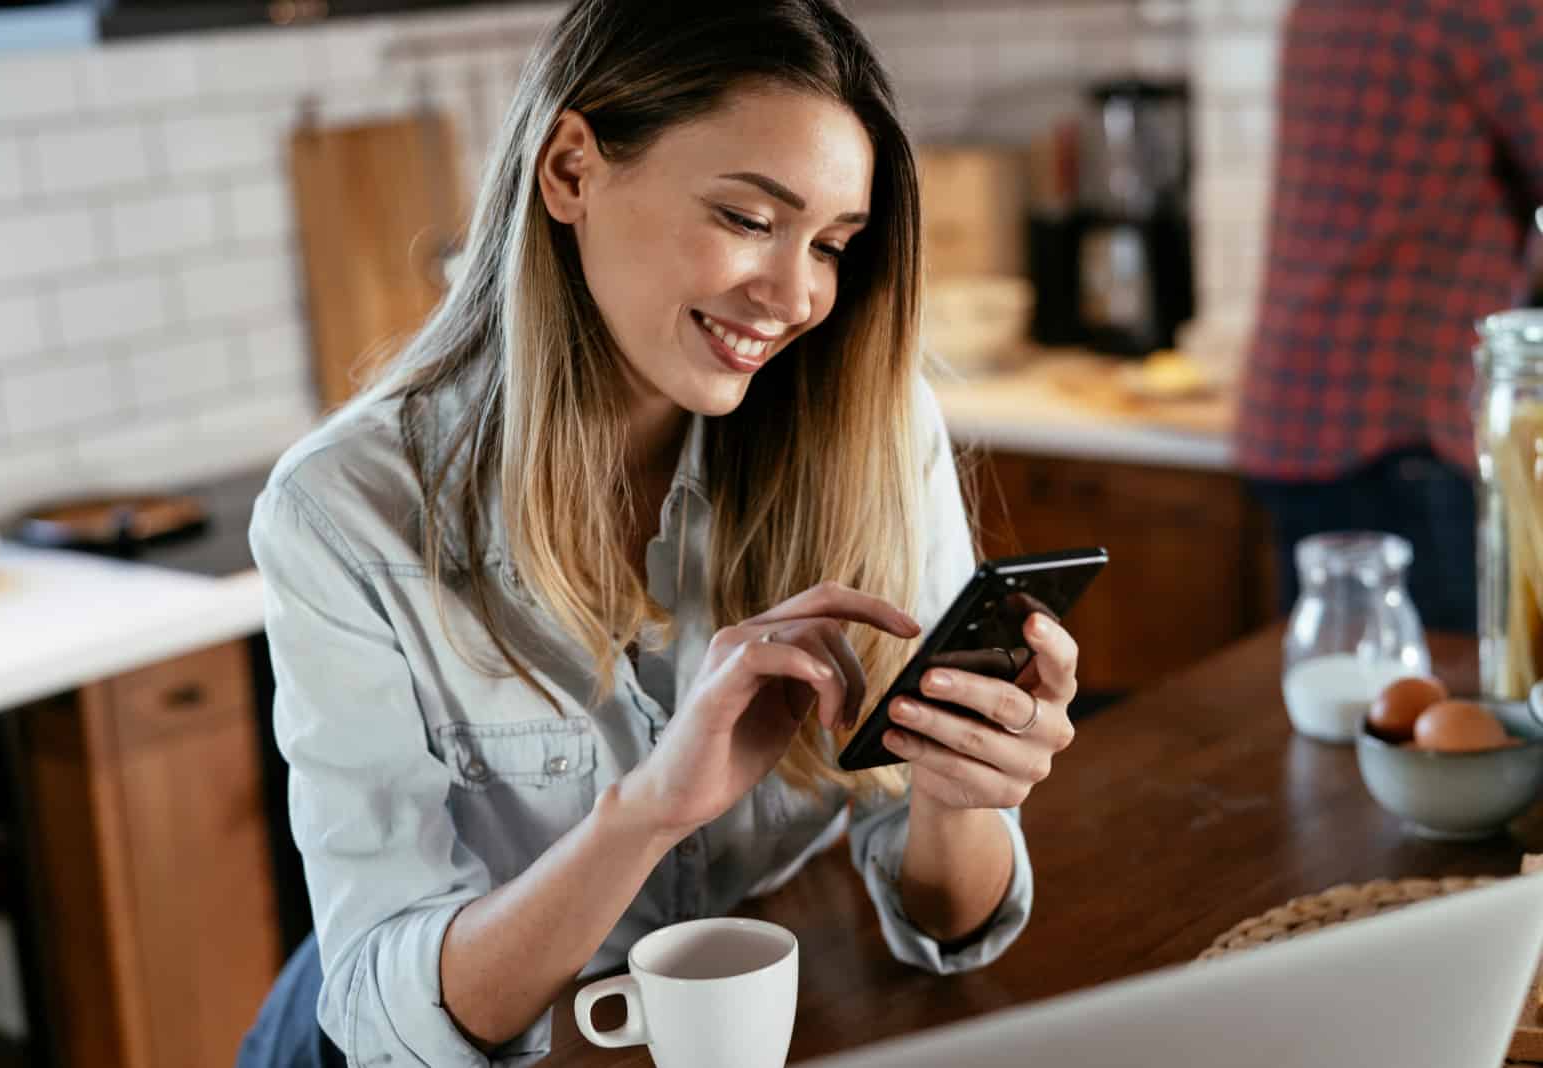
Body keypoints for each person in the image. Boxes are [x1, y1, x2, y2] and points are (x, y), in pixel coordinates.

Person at [237, 3, 1081, 1066]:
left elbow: (951, 926)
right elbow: (373, 1009)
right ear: (571, 171)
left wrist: (961, 796)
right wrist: (645, 813)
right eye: (745, 218)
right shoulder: (344, 511)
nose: (795, 295)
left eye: (829, 245)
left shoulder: (870, 428)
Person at [1236, 0, 1543, 633]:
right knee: (1440, 708)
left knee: (1336, 701)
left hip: (1301, 409)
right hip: (1405, 429)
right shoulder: (1491, 10)